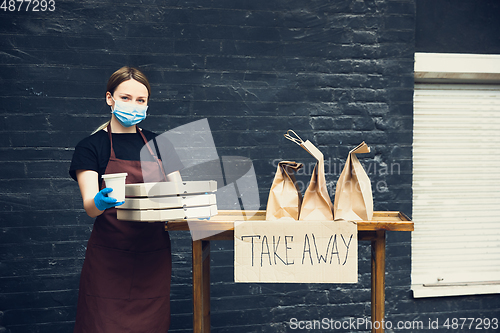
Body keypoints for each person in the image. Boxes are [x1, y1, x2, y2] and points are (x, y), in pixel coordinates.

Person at [69, 66, 183, 332]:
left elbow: (179, 193)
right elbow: (89, 207)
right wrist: (99, 201)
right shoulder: (91, 146)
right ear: (110, 99)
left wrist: (192, 205)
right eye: (126, 98)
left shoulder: (161, 145)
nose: (134, 105)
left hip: (152, 258)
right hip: (109, 258)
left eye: (141, 100)